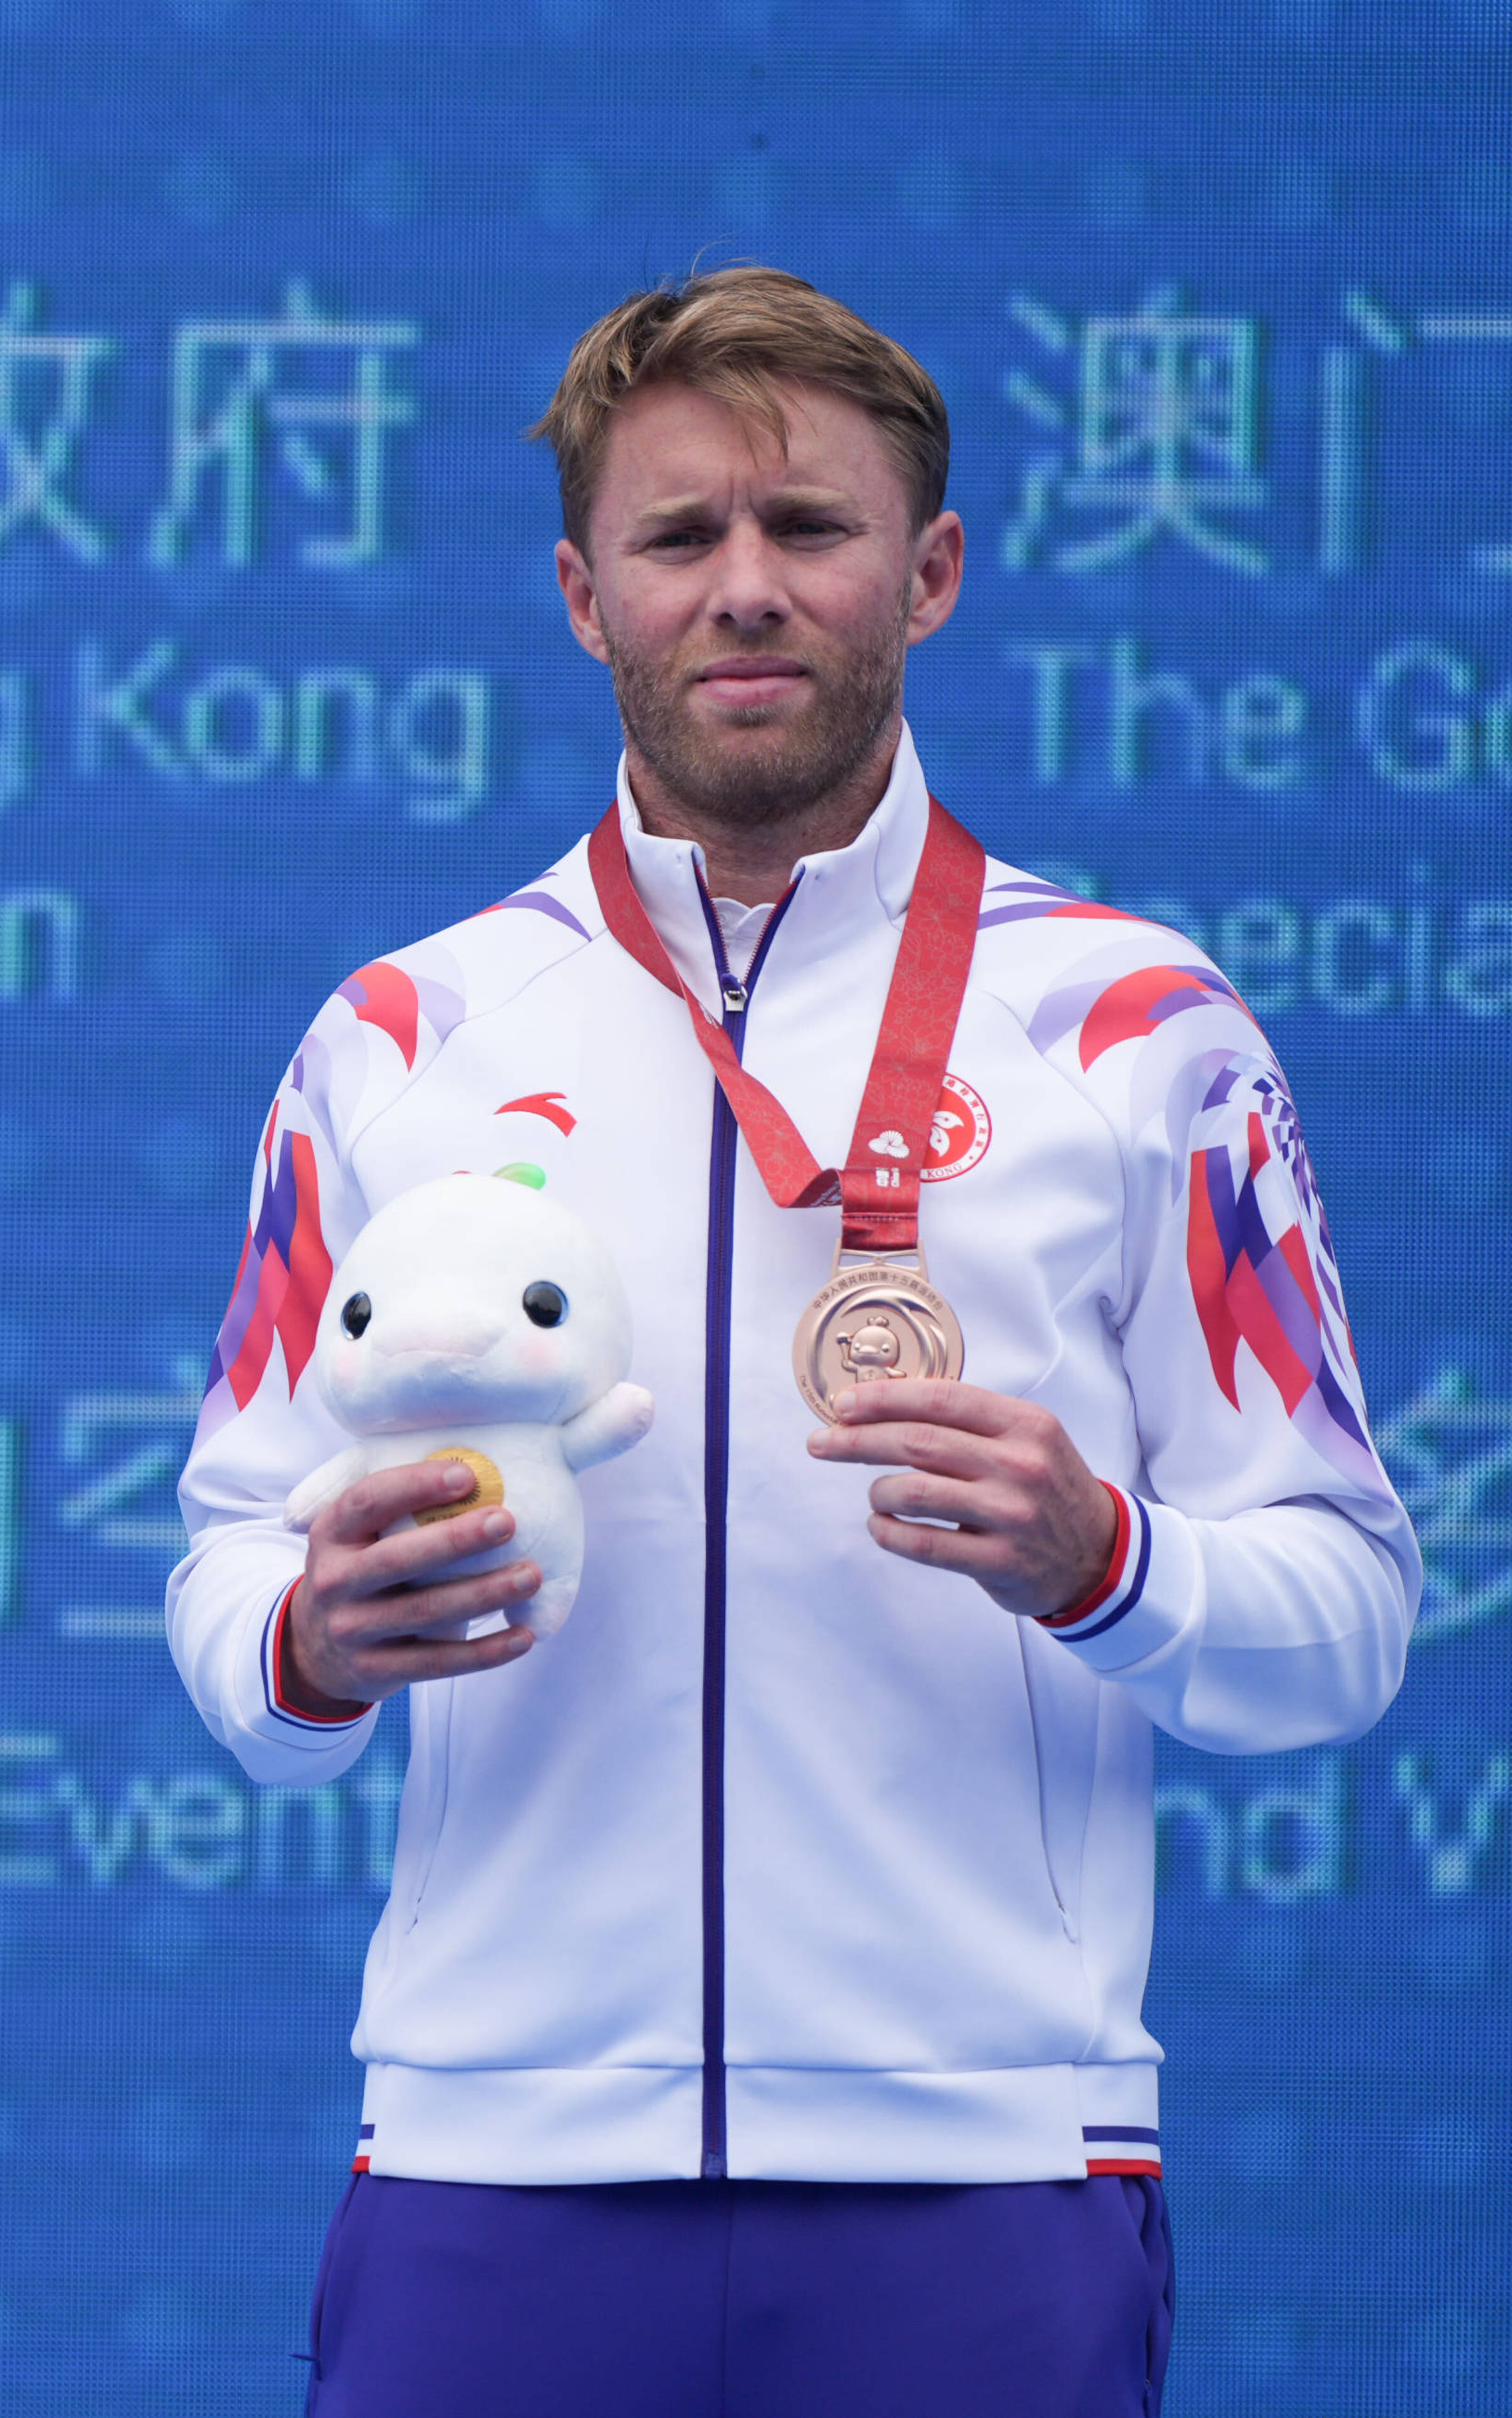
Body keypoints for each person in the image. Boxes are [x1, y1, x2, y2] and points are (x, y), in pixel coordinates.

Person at [164, 267, 1419, 2415]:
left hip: (988, 2169)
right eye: (677, 540)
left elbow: (1342, 1614)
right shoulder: (403, 1035)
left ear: (924, 573)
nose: (743, 592)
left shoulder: (1135, 1031)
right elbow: (221, 1583)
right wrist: (308, 1641)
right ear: (581, 596)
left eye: (807, 531)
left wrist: (1106, 1558)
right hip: (491, 2160)